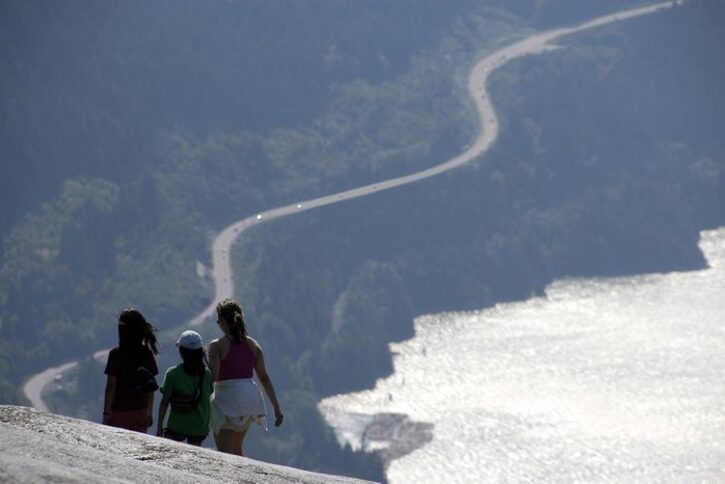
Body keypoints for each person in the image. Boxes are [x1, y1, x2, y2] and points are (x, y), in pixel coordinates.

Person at [208, 298, 283, 456]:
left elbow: (212, 378)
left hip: (228, 400)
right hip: (250, 401)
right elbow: (264, 377)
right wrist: (276, 407)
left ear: (222, 321)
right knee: (237, 450)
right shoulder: (254, 345)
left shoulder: (216, 346)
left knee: (225, 453)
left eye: (218, 320)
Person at [103, 308, 159, 432]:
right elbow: (151, 389)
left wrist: (106, 414)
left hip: (119, 412)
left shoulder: (115, 354)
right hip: (141, 412)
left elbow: (111, 386)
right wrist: (149, 413)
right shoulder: (147, 354)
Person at [156, 330, 213, 446]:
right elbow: (209, 394)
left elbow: (164, 403)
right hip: (199, 426)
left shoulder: (173, 373)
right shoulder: (207, 374)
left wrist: (159, 427)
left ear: (181, 352)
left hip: (177, 425)